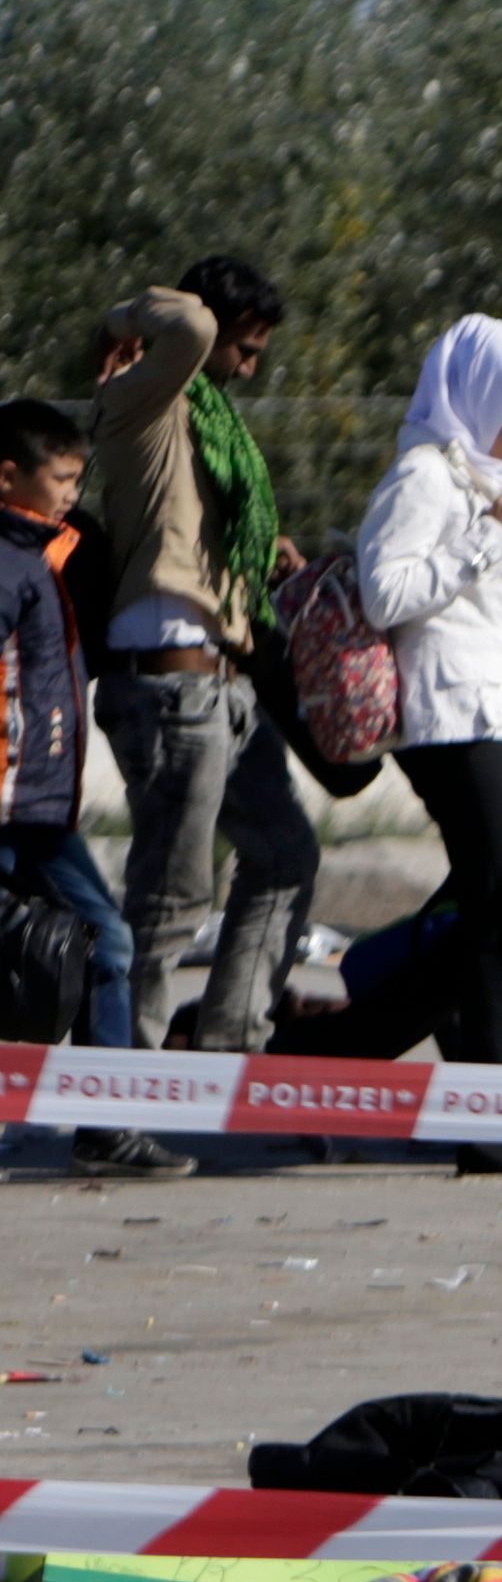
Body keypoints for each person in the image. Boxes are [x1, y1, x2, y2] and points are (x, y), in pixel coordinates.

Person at [353, 315, 502, 1169]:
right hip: (449, 720)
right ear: (480, 395)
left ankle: (354, 1061)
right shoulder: (425, 475)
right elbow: (386, 593)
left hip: (493, 720)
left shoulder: (492, 480)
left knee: (495, 912)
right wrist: (491, 533)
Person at [83, 256, 319, 1054]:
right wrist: (120, 323)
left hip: (223, 690)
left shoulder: (211, 423)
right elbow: (189, 325)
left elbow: (182, 528)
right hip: (170, 695)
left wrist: (256, 555)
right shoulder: (146, 400)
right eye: (243, 349)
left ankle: (225, 1055)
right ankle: (120, 1094)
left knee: (284, 856)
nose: (249, 367)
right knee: (170, 900)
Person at [0, 398, 186, 1176]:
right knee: (88, 947)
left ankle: (104, 1124)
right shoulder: (9, 565)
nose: (74, 490)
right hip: (14, 807)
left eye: (80, 476)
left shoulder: (46, 555)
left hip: (38, 808)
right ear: (9, 476)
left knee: (97, 943)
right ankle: (98, 1121)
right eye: (62, 477)